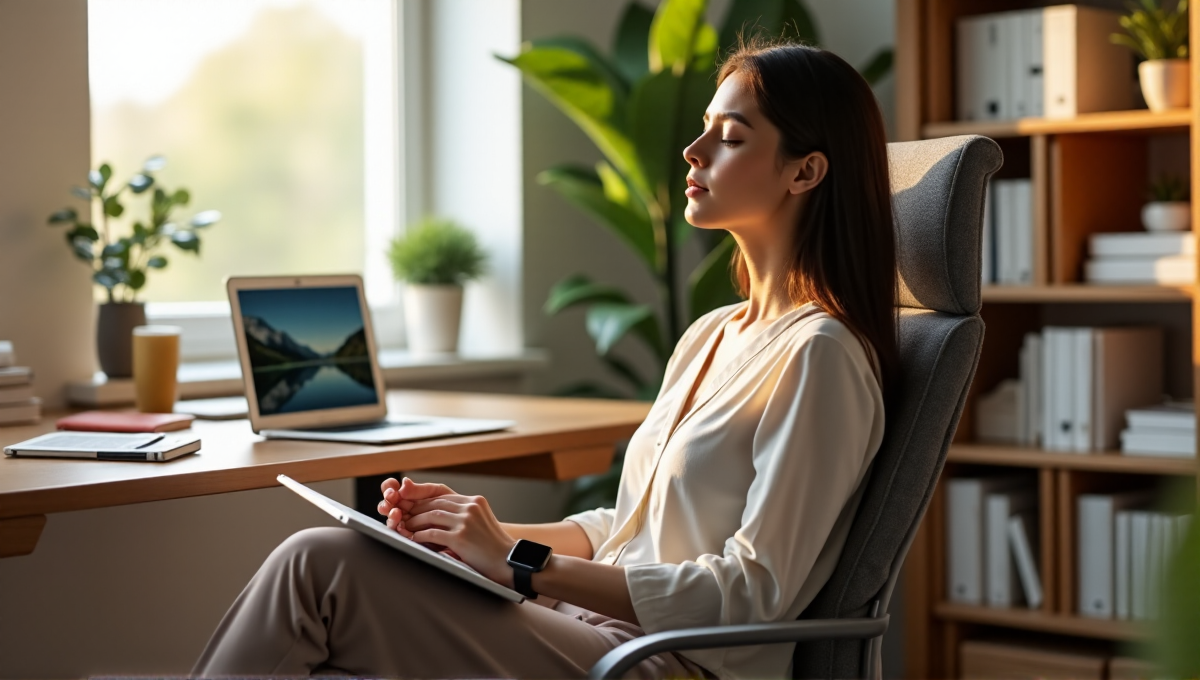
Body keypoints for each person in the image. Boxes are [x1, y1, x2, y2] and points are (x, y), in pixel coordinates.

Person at [192, 40, 897, 680]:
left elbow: (753, 594)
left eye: (731, 136)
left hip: (667, 663)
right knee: (334, 566)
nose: (693, 149)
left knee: (317, 567)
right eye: (706, 126)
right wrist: (476, 531)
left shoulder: (821, 358)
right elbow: (626, 530)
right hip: (584, 627)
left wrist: (521, 565)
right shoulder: (713, 334)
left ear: (805, 172)